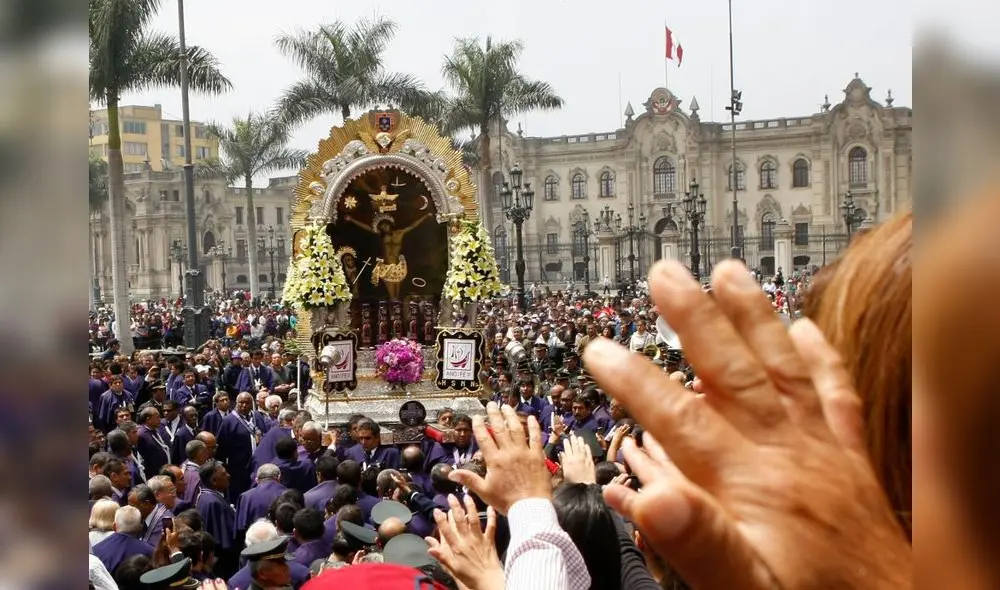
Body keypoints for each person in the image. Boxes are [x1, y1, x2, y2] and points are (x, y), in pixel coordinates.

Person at [343, 210, 432, 301]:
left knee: (397, 295)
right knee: (392, 296)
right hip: (387, 268)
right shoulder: (382, 235)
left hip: (398, 267)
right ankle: (393, 313)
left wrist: (425, 216)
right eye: (382, 226)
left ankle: (396, 313)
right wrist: (352, 220)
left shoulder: (400, 233)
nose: (384, 228)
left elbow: (412, 226)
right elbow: (368, 228)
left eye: (385, 225)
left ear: (390, 224)